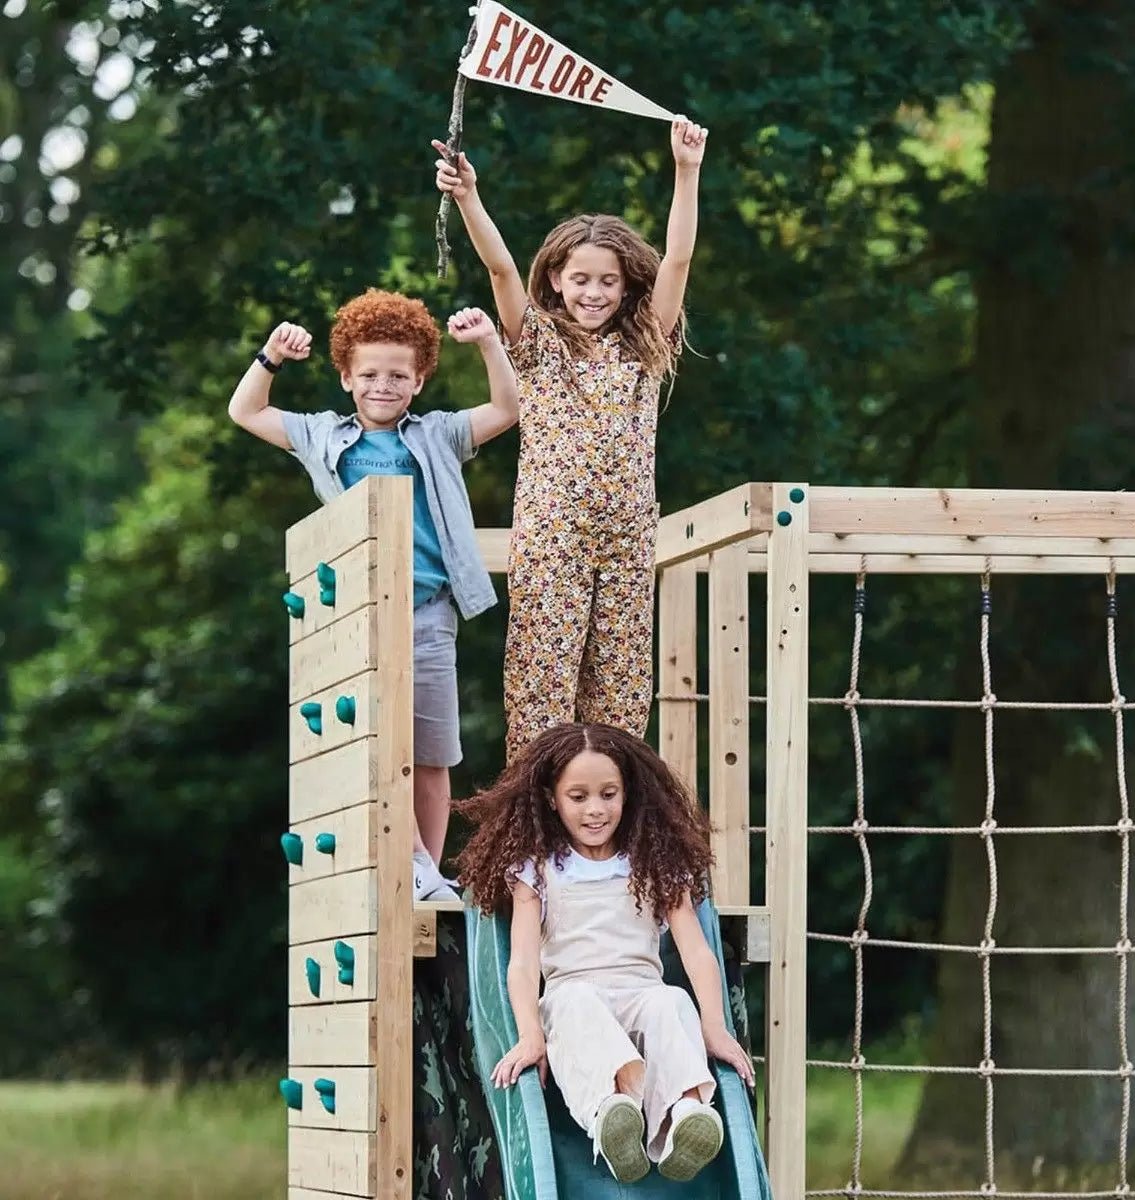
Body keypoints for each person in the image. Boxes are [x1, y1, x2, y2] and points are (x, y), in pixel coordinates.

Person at [227, 290, 518, 900]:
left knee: (435, 753)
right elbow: (246, 413)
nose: (382, 386)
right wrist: (271, 357)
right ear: (345, 378)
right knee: (387, 737)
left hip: (431, 612)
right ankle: (408, 857)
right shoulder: (320, 436)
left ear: (418, 381)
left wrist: (490, 342)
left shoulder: (438, 436)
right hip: (363, 612)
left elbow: (505, 408)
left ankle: (426, 875)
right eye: (368, 375)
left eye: (397, 375)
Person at [433, 117, 708, 761]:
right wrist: (469, 197)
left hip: (627, 531)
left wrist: (687, 172)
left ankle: (611, 816)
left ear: (625, 286)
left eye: (608, 281)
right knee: (543, 680)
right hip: (554, 526)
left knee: (620, 684)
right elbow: (501, 269)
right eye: (580, 279)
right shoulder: (539, 344)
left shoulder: (643, 346)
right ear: (556, 279)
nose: (593, 292)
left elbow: (680, 259)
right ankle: (535, 822)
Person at [454, 723, 754, 1184]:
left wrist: (713, 1024)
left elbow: (695, 951)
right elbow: (523, 961)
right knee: (576, 1007)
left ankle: (684, 1119)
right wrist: (531, 1035)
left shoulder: (653, 860)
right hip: (573, 991)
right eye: (579, 797)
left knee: (672, 1003)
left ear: (628, 794)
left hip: (641, 988)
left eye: (608, 794)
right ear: (553, 799)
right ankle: (612, 1115)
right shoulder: (536, 869)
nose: (596, 809)